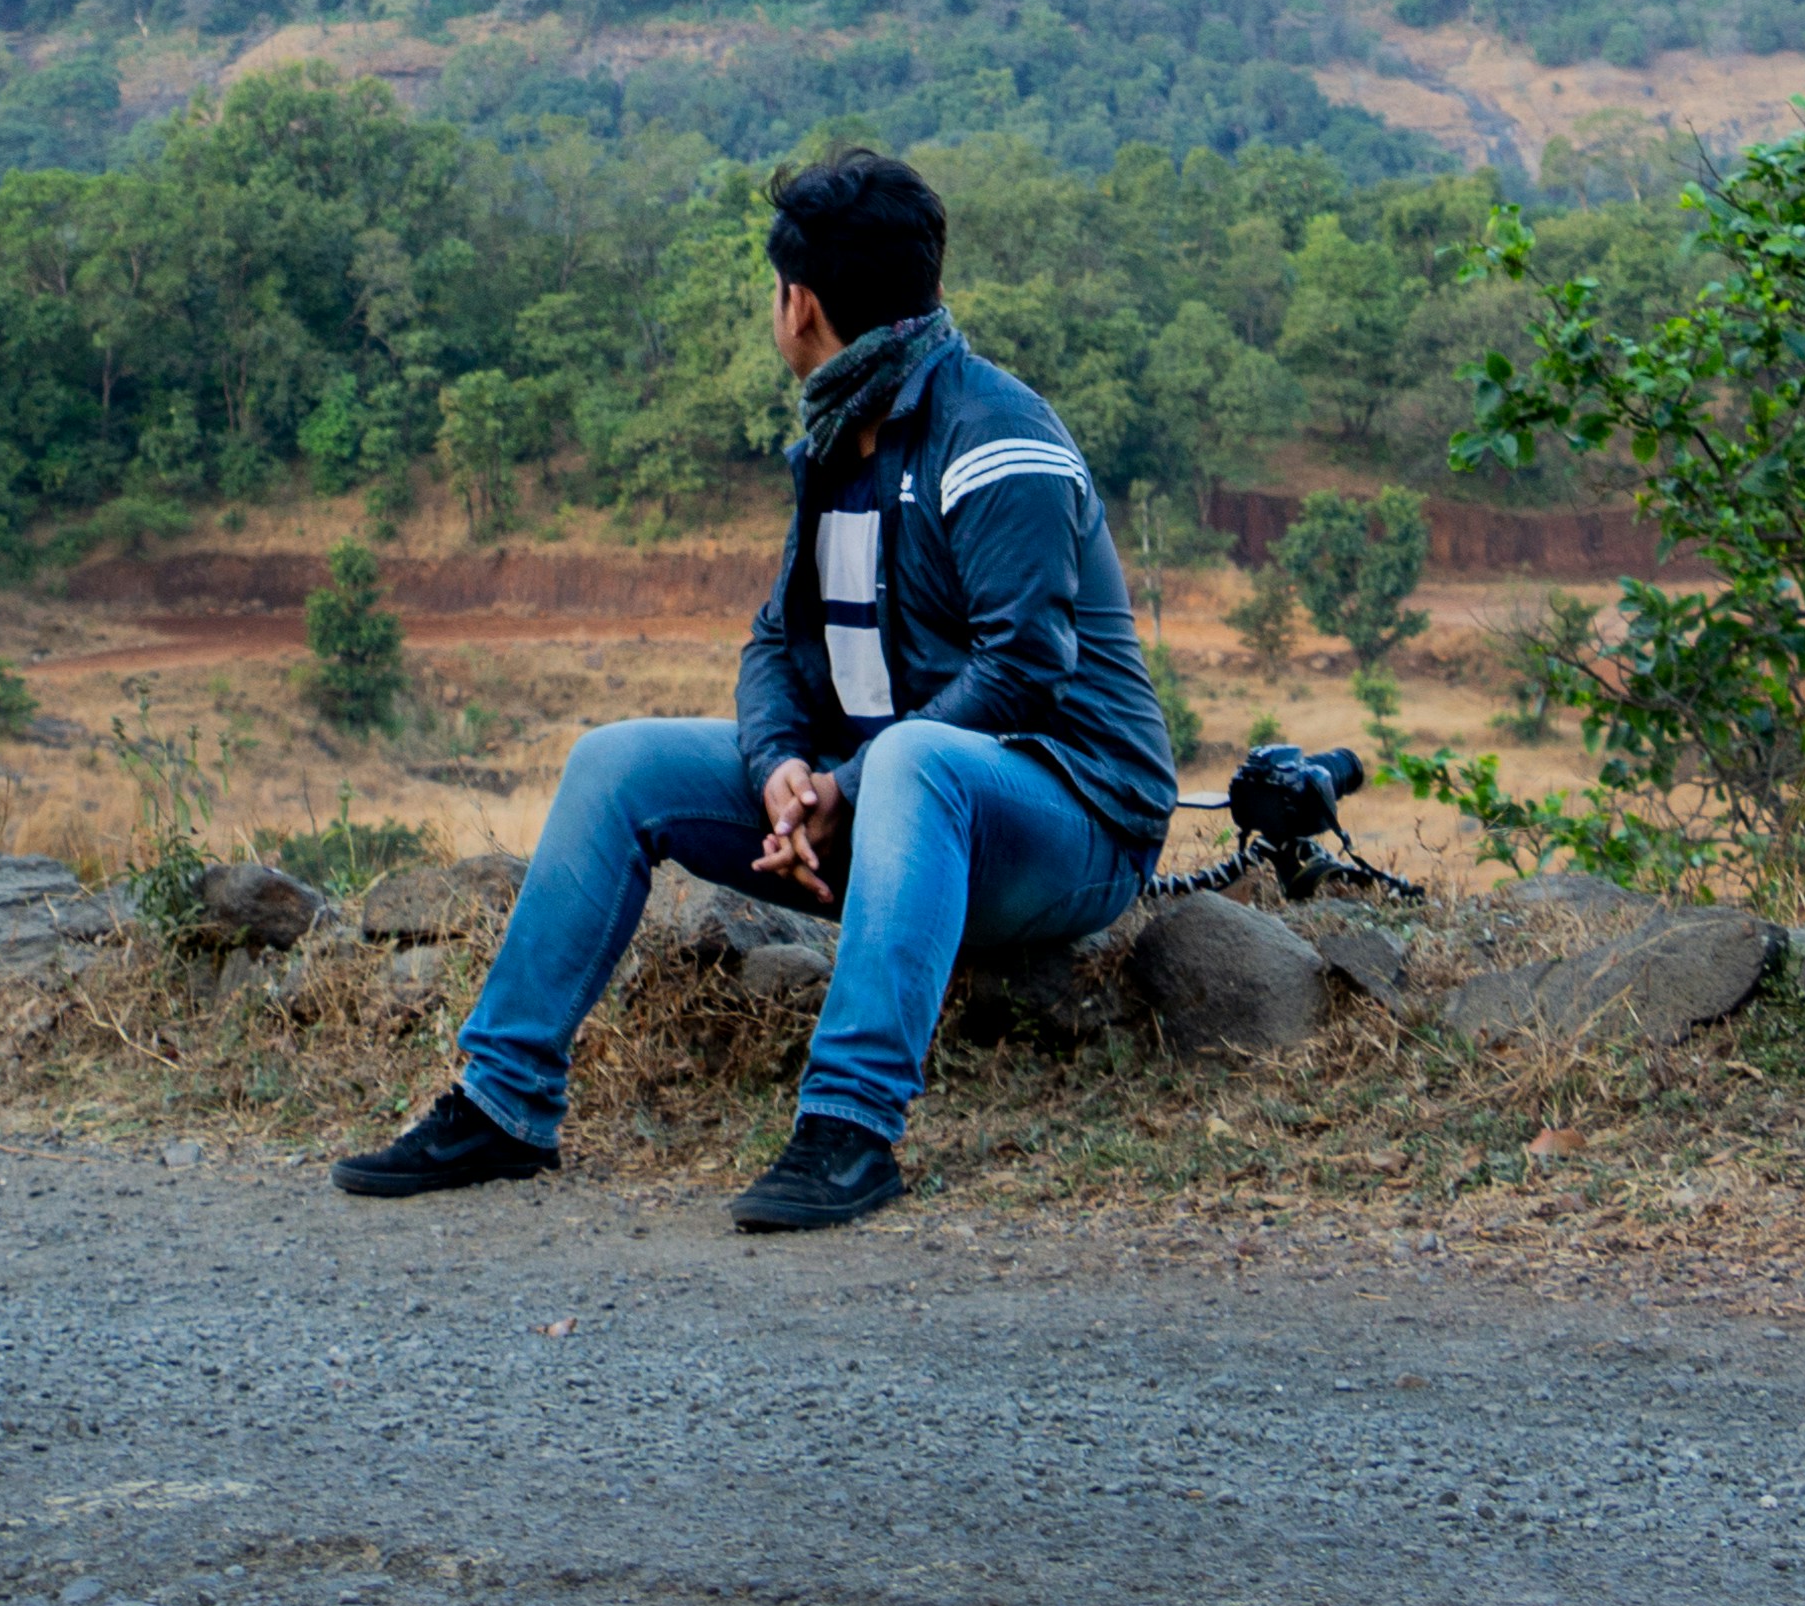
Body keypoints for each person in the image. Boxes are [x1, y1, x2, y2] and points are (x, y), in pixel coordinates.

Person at [334, 145, 1175, 1234]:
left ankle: (849, 1130)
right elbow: (776, 642)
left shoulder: (998, 438)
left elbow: (1023, 669)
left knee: (919, 763)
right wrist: (783, 770)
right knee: (617, 762)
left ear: (801, 305)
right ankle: (503, 1100)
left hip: (1071, 826)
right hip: (884, 807)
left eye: (775, 293)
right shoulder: (833, 441)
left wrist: (854, 783)